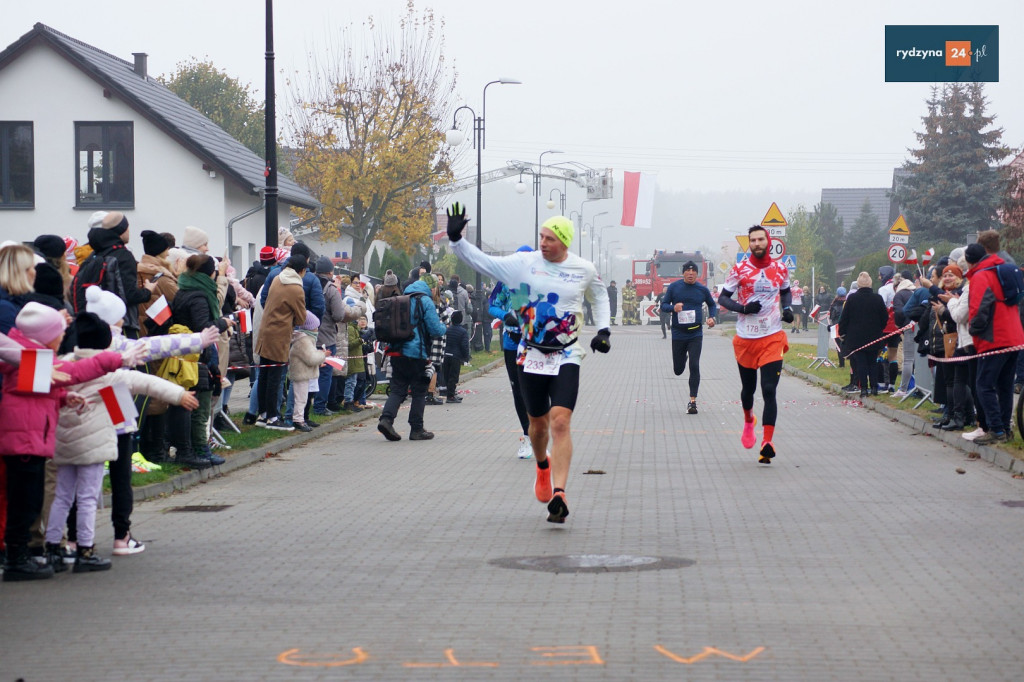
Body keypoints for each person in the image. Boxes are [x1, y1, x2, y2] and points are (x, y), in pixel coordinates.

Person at [448, 205, 611, 524]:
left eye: (550, 238)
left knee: (560, 422)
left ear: (565, 242)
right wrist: (456, 239)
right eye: (541, 236)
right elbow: (483, 261)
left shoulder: (583, 268)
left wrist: (603, 330)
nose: (544, 243)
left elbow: (600, 296)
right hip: (531, 354)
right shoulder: (524, 264)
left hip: (565, 354)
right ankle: (542, 466)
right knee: (537, 425)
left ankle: (560, 493)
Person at [48, 312, 200, 573]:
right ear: (106, 343)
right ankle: (86, 550)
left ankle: (54, 548)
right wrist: (179, 394)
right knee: (87, 498)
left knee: (62, 496)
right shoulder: (109, 375)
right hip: (93, 448)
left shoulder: (62, 365)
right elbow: (145, 382)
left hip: (63, 444)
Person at [717, 225, 793, 464]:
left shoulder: (780, 268)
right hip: (746, 339)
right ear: (749, 244)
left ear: (768, 241)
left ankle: (767, 442)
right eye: (753, 240)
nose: (757, 243)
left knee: (769, 390)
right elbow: (723, 298)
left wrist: (788, 308)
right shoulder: (739, 269)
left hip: (772, 337)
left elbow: (787, 290)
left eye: (761, 239)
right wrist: (743, 308)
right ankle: (749, 420)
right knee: (748, 391)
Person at [964, 241, 1024, 445]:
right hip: (1014, 336)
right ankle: (1006, 429)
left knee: (983, 384)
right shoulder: (1001, 269)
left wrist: (973, 330)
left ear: (970, 262)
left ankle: (996, 429)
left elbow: (979, 309)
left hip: (994, 338)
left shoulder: (981, 276)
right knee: (1005, 385)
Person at [376, 273, 447, 442]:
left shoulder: (401, 298)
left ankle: (386, 420)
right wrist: (444, 327)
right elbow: (435, 329)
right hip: (416, 353)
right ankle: (416, 429)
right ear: (431, 287)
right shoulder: (425, 301)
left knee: (398, 389)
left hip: (395, 350)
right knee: (419, 390)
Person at [488, 246, 535, 459]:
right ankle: (527, 436)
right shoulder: (505, 282)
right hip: (511, 344)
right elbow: (491, 305)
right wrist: (505, 315)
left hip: (535, 344)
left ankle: (539, 434)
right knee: (518, 392)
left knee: (536, 392)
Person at [254, 254, 308, 431]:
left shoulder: (277, 279)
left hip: (265, 331)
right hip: (279, 335)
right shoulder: (296, 288)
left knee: (263, 374)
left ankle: (262, 415)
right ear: (301, 270)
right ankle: (272, 417)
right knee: (275, 378)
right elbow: (301, 318)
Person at [660, 261, 717, 414]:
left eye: (693, 272)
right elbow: (663, 306)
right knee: (678, 370)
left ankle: (693, 402)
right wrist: (673, 308)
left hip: (695, 333)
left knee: (695, 365)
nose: (691, 274)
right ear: (683, 273)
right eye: (688, 271)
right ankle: (682, 358)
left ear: (697, 274)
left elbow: (712, 305)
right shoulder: (674, 287)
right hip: (679, 333)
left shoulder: (702, 289)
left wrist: (712, 317)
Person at [838, 272, 888, 399]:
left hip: (856, 337)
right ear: (870, 283)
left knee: (861, 363)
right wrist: (879, 329)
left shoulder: (852, 299)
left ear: (858, 284)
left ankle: (864, 389)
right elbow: (884, 317)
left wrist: (842, 332)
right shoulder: (877, 298)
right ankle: (875, 387)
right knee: (873, 362)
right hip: (874, 336)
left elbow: (845, 318)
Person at [288, 311, 328, 432]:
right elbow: (311, 358)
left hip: (303, 372)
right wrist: (322, 355)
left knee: (303, 397)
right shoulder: (304, 341)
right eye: (315, 327)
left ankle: (300, 419)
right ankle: (298, 420)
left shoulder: (305, 340)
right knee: (301, 398)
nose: (317, 330)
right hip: (301, 374)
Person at [443, 310, 470, 402]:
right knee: (453, 377)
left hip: (445, 355)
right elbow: (464, 346)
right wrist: (466, 357)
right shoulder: (463, 332)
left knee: (447, 376)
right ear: (461, 320)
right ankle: (450, 396)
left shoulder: (447, 330)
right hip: (456, 357)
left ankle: (450, 393)